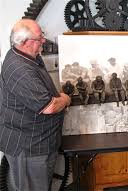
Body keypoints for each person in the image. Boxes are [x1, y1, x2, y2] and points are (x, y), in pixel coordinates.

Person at [0, 19, 71, 191]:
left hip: (38, 143)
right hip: (29, 147)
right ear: (24, 42)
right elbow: (49, 107)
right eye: (40, 38)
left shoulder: (27, 56)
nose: (44, 41)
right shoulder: (20, 69)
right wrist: (66, 98)